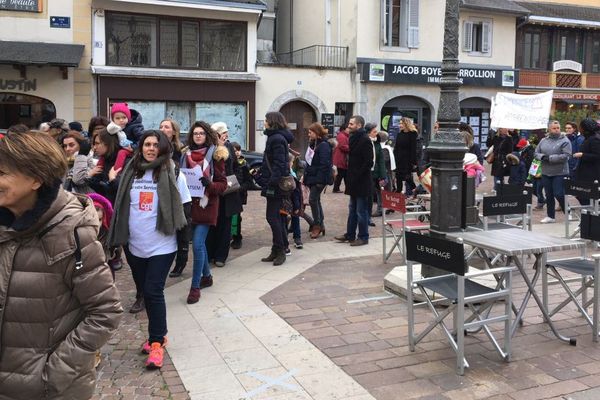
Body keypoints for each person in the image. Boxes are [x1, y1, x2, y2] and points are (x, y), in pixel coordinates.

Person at [0, 131, 122, 399]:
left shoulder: (72, 232)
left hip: (48, 391)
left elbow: (104, 311)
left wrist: (52, 374)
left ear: (35, 179)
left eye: (2, 172)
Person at [108, 130, 190, 369]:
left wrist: (184, 247)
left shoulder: (173, 172)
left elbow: (184, 210)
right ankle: (157, 335)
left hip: (162, 245)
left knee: (154, 291)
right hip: (134, 244)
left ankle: (157, 341)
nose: (151, 148)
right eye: (147, 144)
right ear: (141, 147)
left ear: (163, 148)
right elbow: (122, 205)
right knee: (144, 290)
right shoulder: (131, 172)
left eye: (155, 144)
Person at [181, 121, 228, 303]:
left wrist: (210, 184)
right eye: (195, 133)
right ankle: (207, 276)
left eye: (201, 133)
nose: (198, 136)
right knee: (199, 245)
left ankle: (194, 287)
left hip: (207, 204)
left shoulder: (216, 155)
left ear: (207, 135)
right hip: (190, 204)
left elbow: (222, 185)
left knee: (198, 244)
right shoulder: (186, 156)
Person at [255, 111, 294, 265]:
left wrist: (271, 181)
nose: (264, 122)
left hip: (276, 186)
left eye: (265, 120)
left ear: (272, 122)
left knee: (273, 217)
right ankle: (277, 248)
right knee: (277, 217)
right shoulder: (275, 137)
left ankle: (281, 250)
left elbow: (279, 164)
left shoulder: (277, 138)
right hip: (274, 184)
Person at [206, 122, 243, 268]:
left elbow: (234, 168)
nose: (225, 135)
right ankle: (210, 254)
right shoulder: (209, 148)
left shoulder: (227, 147)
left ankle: (221, 255)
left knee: (224, 225)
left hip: (226, 193)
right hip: (212, 191)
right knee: (211, 224)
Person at [159, 118, 192, 278]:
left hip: (181, 192)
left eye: (167, 127)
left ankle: (180, 263)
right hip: (163, 192)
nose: (163, 129)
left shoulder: (180, 149)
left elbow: (185, 168)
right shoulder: (155, 147)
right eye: (161, 126)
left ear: (174, 131)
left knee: (182, 230)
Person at [334, 115, 373, 246]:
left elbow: (368, 162)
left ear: (359, 125)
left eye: (351, 124)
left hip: (361, 181)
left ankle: (363, 237)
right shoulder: (353, 138)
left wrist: (357, 176)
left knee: (361, 212)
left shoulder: (365, 140)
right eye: (349, 124)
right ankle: (350, 234)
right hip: (353, 180)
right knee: (352, 210)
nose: (348, 126)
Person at [535, 120, 572, 223]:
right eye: (554, 128)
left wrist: (550, 158)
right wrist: (542, 157)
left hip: (560, 172)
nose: (556, 130)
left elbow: (566, 156)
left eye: (558, 128)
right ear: (549, 129)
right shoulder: (543, 140)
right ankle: (550, 216)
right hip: (546, 171)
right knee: (549, 194)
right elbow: (536, 152)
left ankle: (568, 211)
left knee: (559, 193)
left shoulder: (565, 140)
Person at [304, 122, 332, 238]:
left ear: (316, 133)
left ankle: (317, 225)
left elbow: (324, 164)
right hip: (312, 177)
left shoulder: (324, 145)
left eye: (310, 133)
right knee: (316, 200)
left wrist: (319, 180)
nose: (309, 135)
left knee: (312, 200)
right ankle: (321, 224)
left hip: (319, 179)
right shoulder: (313, 144)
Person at [104, 103, 144, 173]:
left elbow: (142, 139)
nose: (121, 120)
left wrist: (133, 147)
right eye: (117, 118)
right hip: (122, 147)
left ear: (128, 117)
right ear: (113, 120)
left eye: (124, 117)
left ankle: (116, 172)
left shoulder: (135, 126)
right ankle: (99, 168)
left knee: (121, 152)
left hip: (134, 150)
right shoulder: (114, 128)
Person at [230, 141, 253, 249]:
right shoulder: (229, 163)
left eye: (238, 150)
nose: (237, 153)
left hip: (239, 194)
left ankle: (237, 237)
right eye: (234, 151)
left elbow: (249, 182)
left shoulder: (244, 164)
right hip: (229, 193)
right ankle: (230, 234)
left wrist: (240, 188)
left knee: (236, 217)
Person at [573, 119, 600, 207]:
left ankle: (591, 216)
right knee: (581, 195)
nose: (579, 129)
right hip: (584, 173)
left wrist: (582, 154)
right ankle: (588, 216)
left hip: (591, 174)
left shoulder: (594, 139)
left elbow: (597, 155)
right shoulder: (587, 138)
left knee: (586, 197)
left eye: (581, 127)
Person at [393, 117, 418, 196]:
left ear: (406, 124)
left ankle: (415, 189)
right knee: (399, 177)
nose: (400, 125)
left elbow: (413, 149)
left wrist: (413, 162)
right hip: (398, 159)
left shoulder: (413, 134)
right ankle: (398, 195)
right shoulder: (400, 134)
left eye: (401, 123)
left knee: (407, 177)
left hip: (407, 160)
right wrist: (394, 159)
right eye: (399, 123)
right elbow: (396, 147)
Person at [366, 123, 386, 218]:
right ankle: (367, 213)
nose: (376, 133)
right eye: (374, 131)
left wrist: (383, 175)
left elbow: (381, 160)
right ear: (368, 133)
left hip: (377, 172)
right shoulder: (365, 142)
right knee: (368, 193)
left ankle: (380, 209)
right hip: (367, 173)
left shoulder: (377, 143)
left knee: (379, 191)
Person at [332, 122, 350, 193]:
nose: (349, 129)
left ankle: (346, 188)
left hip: (341, 158)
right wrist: (352, 147)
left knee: (343, 174)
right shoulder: (342, 136)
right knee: (341, 174)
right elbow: (343, 147)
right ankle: (336, 188)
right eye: (348, 128)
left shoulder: (343, 135)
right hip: (341, 158)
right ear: (344, 129)